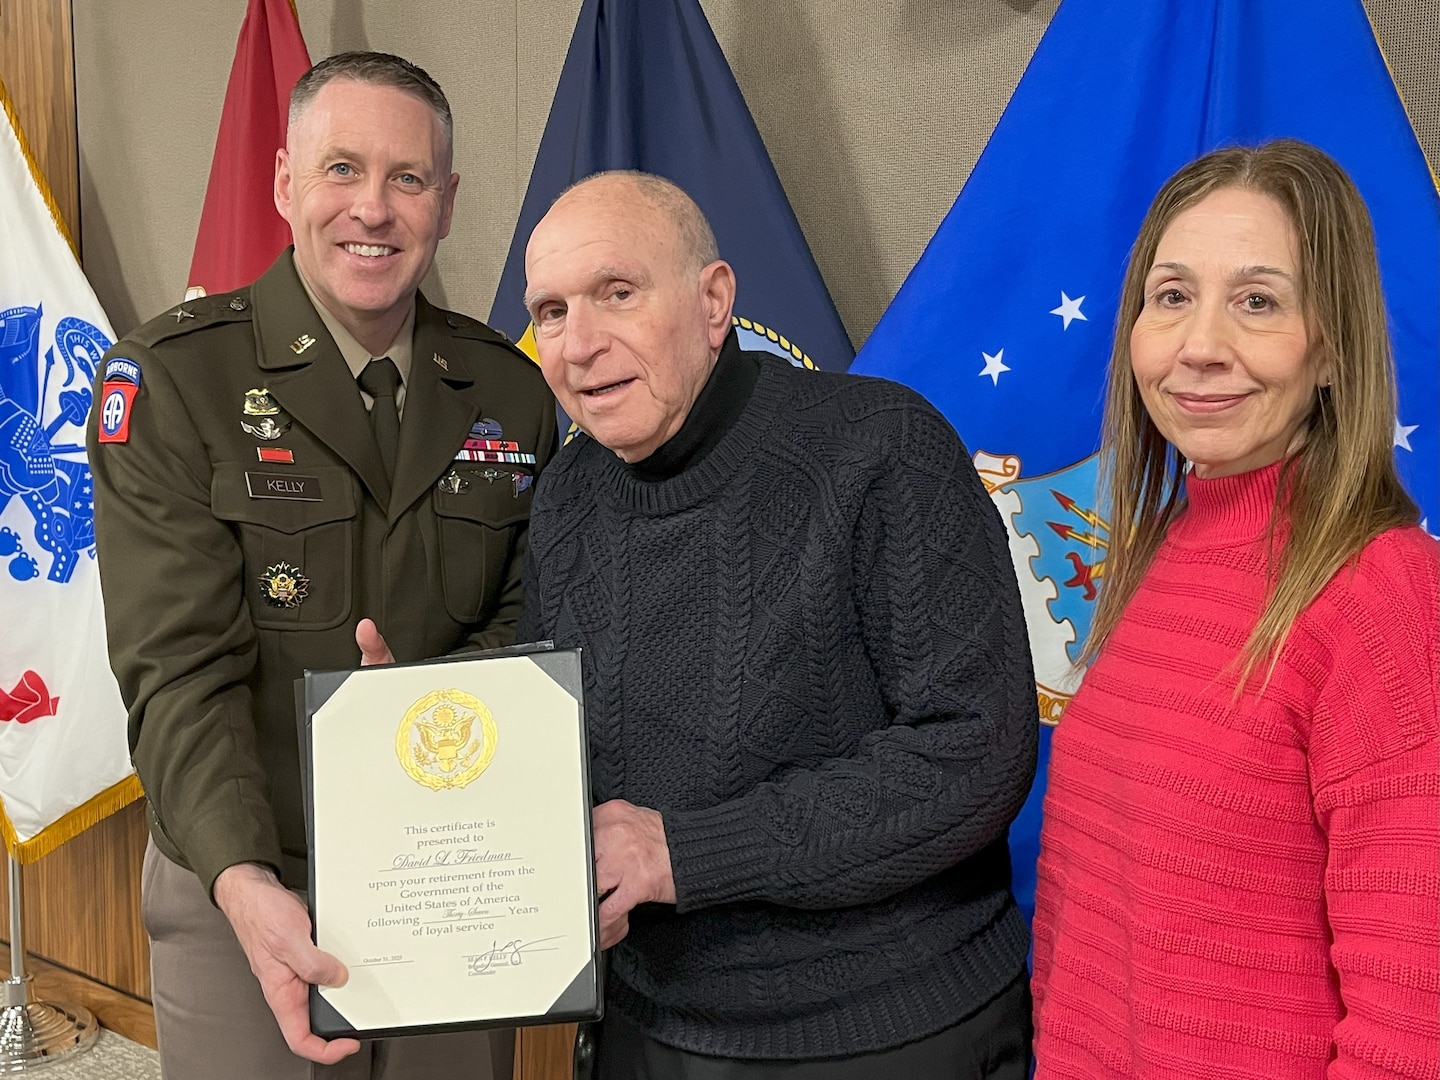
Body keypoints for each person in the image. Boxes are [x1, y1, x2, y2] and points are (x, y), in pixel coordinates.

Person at [88, 52, 555, 1079]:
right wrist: (245, 879)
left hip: (449, 867)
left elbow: (534, 620)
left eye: (408, 178)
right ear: (283, 182)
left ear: (447, 201)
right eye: (341, 169)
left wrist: (434, 712)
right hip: (250, 872)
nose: (373, 210)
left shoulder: (512, 393)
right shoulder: (172, 380)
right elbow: (178, 670)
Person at [515, 171, 1039, 1078]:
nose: (580, 344)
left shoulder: (883, 448)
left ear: (714, 300)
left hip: (884, 1032)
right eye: (552, 312)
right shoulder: (566, 495)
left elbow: (975, 753)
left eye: (617, 292)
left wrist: (685, 853)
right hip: (648, 1025)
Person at [1031, 140, 1439, 1078]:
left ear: (1331, 349)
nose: (1200, 344)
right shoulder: (1161, 550)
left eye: (1257, 301)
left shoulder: (1383, 593)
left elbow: (1414, 1028)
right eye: (1172, 295)